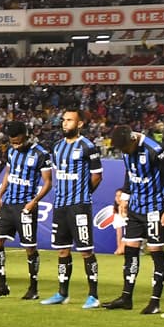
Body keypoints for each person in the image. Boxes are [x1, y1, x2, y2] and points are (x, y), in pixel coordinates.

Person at [104, 124, 164, 313]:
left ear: (132, 140)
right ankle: (126, 297)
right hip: (135, 208)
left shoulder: (154, 150)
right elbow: (130, 173)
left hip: (155, 208)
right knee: (130, 249)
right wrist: (125, 197)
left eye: (125, 148)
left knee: (155, 251)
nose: (124, 152)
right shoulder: (126, 150)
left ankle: (155, 301)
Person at [42, 104, 103, 308]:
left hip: (79, 206)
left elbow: (97, 176)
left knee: (86, 250)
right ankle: (62, 293)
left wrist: (84, 193)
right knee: (62, 250)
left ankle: (93, 295)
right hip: (60, 206)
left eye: (69, 120)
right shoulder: (57, 147)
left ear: (80, 123)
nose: (65, 123)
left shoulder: (88, 146)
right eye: (64, 120)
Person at [0, 119, 49, 299]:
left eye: (19, 142)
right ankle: (2, 285)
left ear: (26, 136)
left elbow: (48, 183)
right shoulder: (11, 152)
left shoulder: (41, 154)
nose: (16, 145)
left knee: (29, 247)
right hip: (8, 204)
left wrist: (34, 201)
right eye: (13, 142)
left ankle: (33, 288)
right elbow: (8, 173)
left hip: (25, 206)